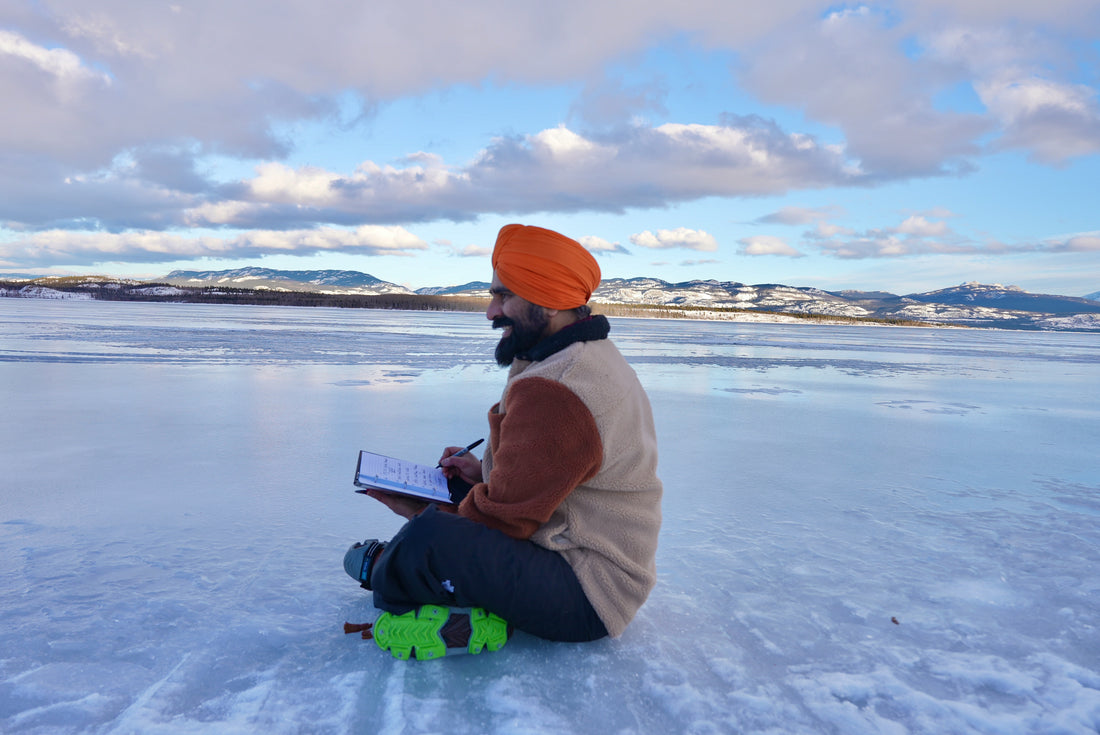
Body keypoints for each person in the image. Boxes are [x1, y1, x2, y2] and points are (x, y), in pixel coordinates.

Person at [343, 223, 662, 660]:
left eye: (504, 296)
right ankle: (409, 568)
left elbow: (505, 522)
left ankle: (412, 584)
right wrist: (482, 473)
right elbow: (550, 473)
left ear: (548, 302)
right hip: (579, 553)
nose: (491, 311)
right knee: (450, 498)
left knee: (427, 539)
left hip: (586, 594)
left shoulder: (560, 386)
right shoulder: (578, 356)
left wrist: (421, 512)